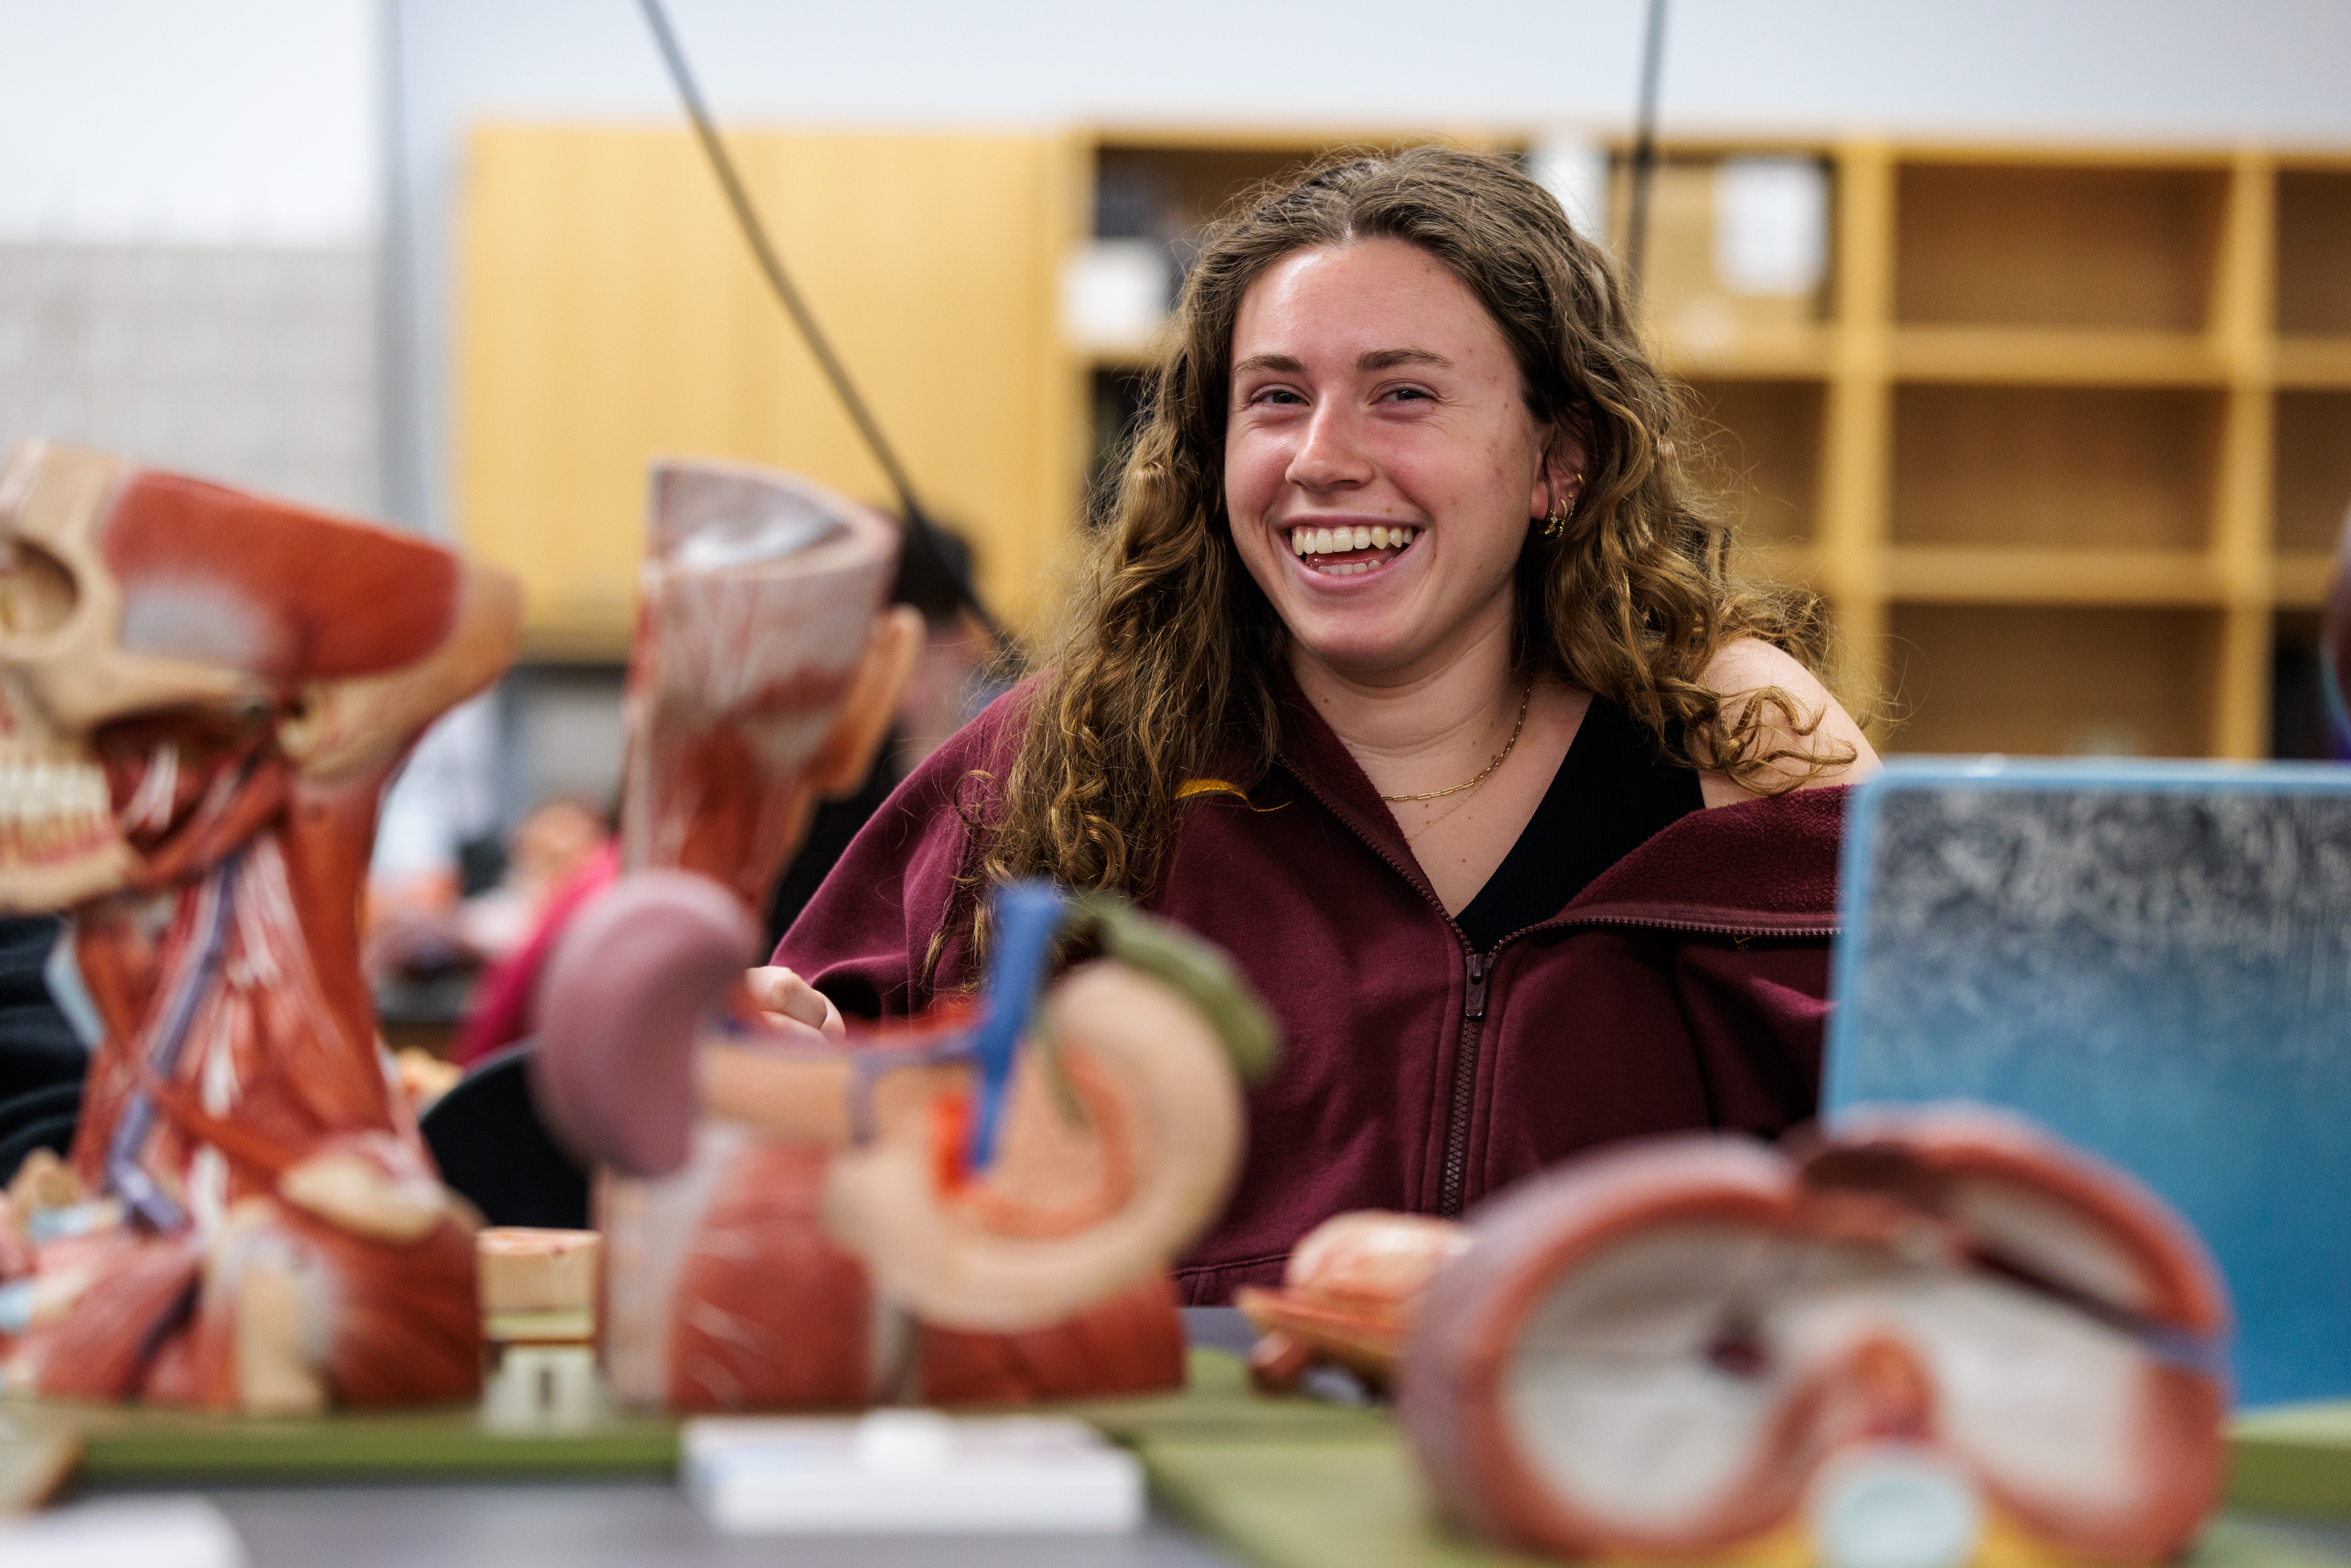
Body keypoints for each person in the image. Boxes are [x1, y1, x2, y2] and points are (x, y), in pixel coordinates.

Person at [757, 145, 1878, 1303]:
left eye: (1403, 394)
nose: (1321, 458)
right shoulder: (1067, 759)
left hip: (1588, 1407)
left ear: (1559, 460)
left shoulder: (1731, 742)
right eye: (1276, 398)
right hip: (1163, 1412)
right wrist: (787, 1067)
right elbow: (824, 1113)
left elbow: (1922, 1178)